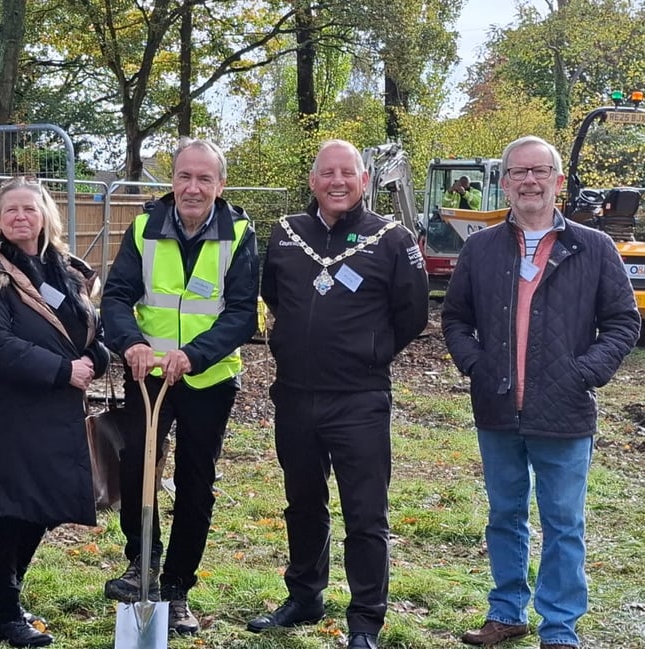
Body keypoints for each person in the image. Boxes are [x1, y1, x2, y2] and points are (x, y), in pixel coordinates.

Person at [442, 136, 640, 649]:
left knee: (563, 523)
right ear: (504, 181)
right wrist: (476, 366)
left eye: (540, 171)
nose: (529, 180)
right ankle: (506, 612)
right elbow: (456, 318)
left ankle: (559, 627)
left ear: (556, 180)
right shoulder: (481, 248)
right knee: (504, 515)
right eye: (518, 172)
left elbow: (622, 322)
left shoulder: (593, 246)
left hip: (566, 410)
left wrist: (585, 372)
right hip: (498, 407)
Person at [248, 139, 428, 649]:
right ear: (313, 181)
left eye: (347, 173)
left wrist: (368, 352)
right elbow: (274, 295)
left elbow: (412, 314)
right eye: (327, 173)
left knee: (365, 512)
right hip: (296, 395)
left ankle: (366, 621)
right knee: (303, 502)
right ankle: (305, 596)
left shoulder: (392, 239)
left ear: (364, 180)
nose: (337, 182)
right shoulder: (286, 234)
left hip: (359, 398)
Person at [101, 138, 259, 634]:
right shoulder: (146, 226)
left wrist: (195, 356)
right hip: (147, 376)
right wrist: (130, 344)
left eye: (204, 179)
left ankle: (177, 585)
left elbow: (240, 313)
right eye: (184, 177)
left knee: (196, 480)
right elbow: (118, 295)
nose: (193, 188)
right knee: (136, 468)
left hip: (207, 378)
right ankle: (140, 561)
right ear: (172, 180)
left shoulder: (238, 233)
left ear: (220, 184)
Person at [0, 178, 108, 647]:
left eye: (28, 209)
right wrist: (62, 370)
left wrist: (97, 359)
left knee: (40, 508)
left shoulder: (66, 271)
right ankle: (4, 607)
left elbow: (91, 331)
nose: (20, 217)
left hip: (53, 414)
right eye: (10, 209)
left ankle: (3, 600)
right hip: (5, 413)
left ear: (45, 216)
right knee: (8, 510)